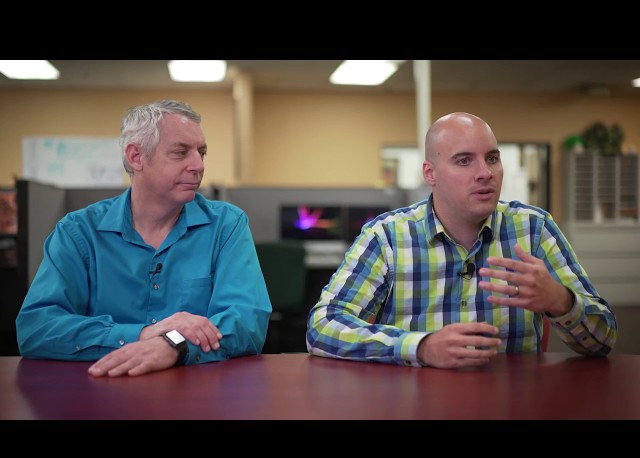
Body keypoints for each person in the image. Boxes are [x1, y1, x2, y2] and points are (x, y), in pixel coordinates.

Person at [307, 112, 617, 369]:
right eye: (464, 161)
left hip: (514, 403)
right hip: (413, 404)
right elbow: (322, 326)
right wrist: (420, 347)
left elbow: (603, 340)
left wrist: (561, 301)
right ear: (431, 173)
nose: (485, 173)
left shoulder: (534, 230)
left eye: (492, 158)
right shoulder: (387, 236)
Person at [16, 99, 272, 376]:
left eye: (202, 152)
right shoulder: (79, 232)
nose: (198, 165)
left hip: (199, 392)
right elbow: (37, 328)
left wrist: (172, 346)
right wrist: (143, 334)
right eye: (181, 152)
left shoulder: (226, 224)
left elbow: (247, 322)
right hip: (101, 388)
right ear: (136, 157)